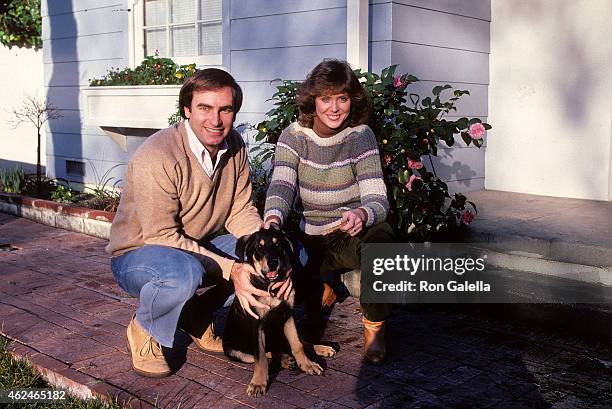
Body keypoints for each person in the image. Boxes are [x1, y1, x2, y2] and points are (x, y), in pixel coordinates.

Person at [106, 68, 290, 377]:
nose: (215, 120)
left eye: (225, 109)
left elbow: (240, 210)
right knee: (184, 273)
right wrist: (232, 269)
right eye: (204, 108)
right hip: (140, 253)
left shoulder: (235, 147)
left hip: (194, 246)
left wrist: (265, 245)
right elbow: (161, 235)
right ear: (187, 109)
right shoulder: (158, 154)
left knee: (278, 255)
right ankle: (144, 328)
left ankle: (195, 317)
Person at [262, 59, 394, 364]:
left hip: (347, 235)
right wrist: (272, 218)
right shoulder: (292, 137)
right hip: (309, 239)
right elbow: (282, 188)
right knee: (305, 320)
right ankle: (327, 284)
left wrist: (362, 214)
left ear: (352, 101)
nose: (334, 108)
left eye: (342, 99)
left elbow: (378, 199)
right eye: (326, 99)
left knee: (384, 240)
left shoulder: (361, 136)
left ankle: (375, 326)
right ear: (313, 101)